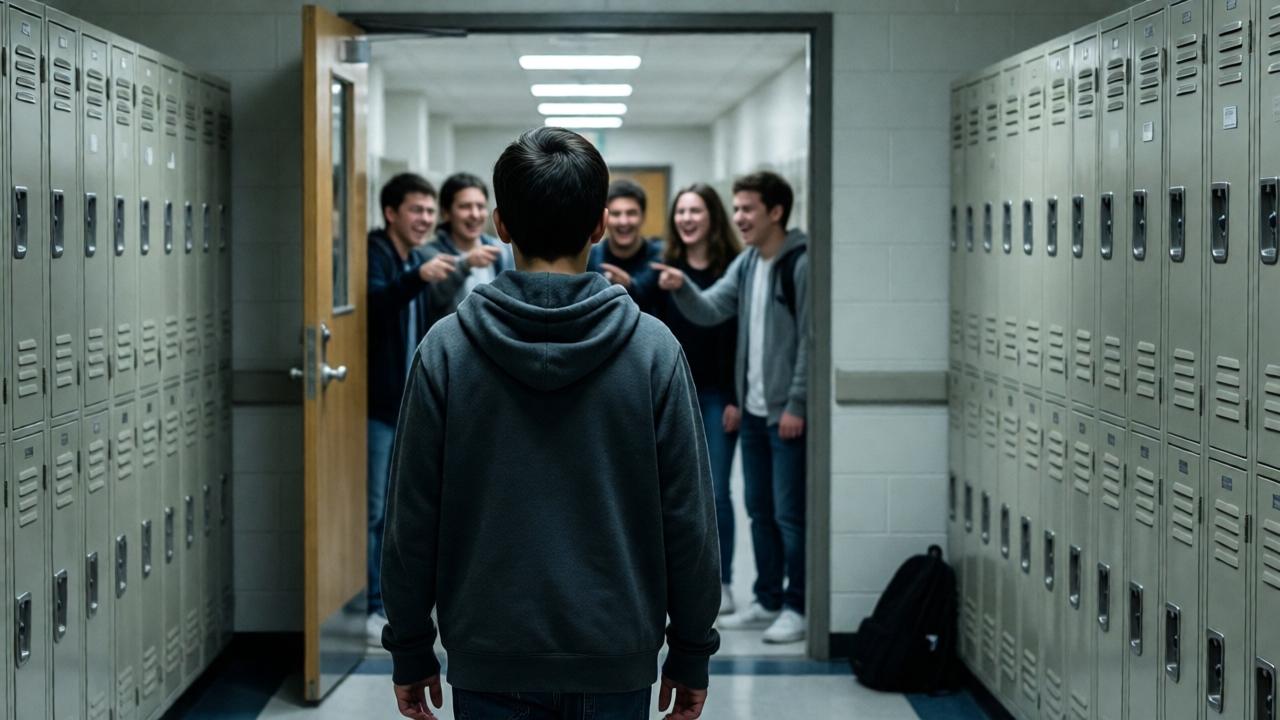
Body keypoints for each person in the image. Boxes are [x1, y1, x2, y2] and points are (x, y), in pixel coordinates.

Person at [381, 127, 721, 720]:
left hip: (489, 653)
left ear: (501, 225)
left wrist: (410, 646)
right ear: (598, 227)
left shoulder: (445, 350)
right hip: (615, 653)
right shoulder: (653, 350)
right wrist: (691, 650)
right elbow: (689, 520)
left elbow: (411, 517)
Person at [652, 171, 809, 645]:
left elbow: (809, 340)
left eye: (747, 209)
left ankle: (797, 603)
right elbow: (709, 309)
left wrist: (797, 403)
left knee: (788, 513)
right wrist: (681, 285)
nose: (738, 217)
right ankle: (766, 599)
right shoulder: (747, 265)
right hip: (758, 411)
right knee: (759, 508)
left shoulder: (798, 263)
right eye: (736, 208)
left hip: (784, 411)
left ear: (775, 212)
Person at [366, 173, 457, 644]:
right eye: (416, 210)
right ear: (390, 214)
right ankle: (371, 604)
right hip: (378, 406)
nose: (424, 219)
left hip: (406, 403)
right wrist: (416, 277)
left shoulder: (413, 257)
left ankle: (393, 601)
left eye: (428, 211)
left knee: (404, 509)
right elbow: (373, 305)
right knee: (376, 511)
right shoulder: (378, 254)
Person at [656, 183, 742, 616]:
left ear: (712, 217)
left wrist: (734, 397)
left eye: (696, 211)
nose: (687, 219)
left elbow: (737, 339)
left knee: (717, 493)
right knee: (672, 491)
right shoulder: (666, 267)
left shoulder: (732, 270)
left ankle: (722, 582)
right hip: (671, 391)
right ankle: (675, 582)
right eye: (681, 212)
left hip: (715, 396)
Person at [419, 172, 514, 329]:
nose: (475, 214)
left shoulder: (502, 251)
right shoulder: (429, 254)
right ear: (446, 213)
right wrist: (466, 264)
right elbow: (433, 300)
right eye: (465, 207)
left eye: (480, 206)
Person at [587, 179, 662, 313]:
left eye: (631, 213)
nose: (624, 221)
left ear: (643, 216)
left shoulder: (660, 256)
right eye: (616, 214)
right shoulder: (590, 257)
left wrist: (629, 286)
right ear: (605, 218)